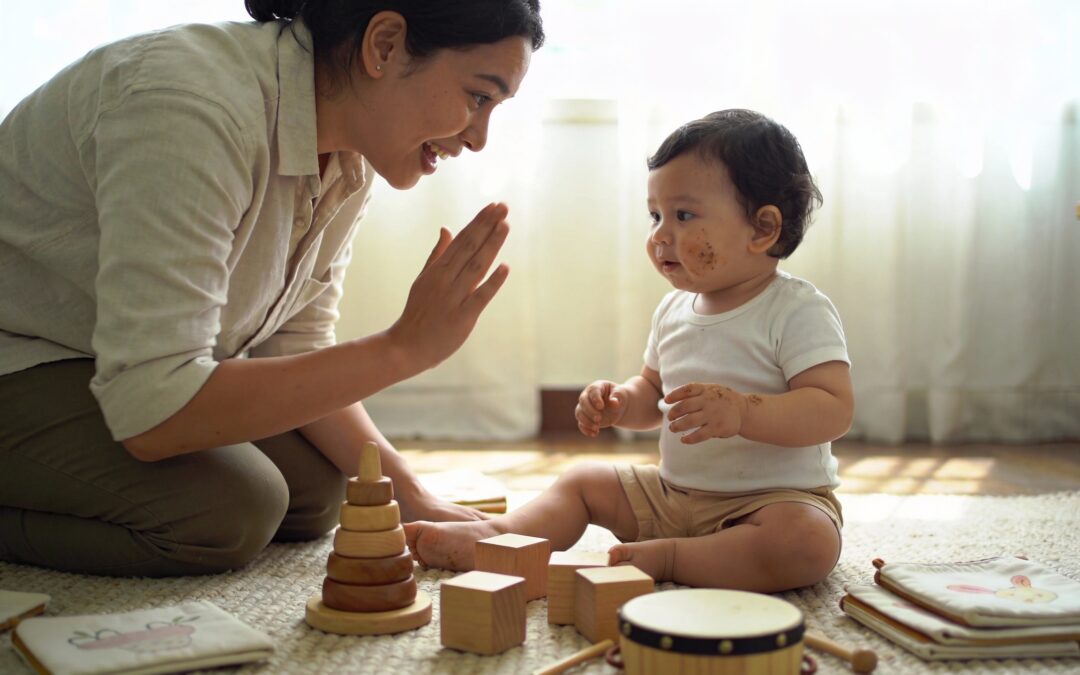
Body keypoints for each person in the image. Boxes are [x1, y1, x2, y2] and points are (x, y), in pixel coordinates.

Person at [0, 1, 544, 577]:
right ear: (384, 45)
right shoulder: (190, 108)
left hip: (97, 359)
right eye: (479, 97)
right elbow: (151, 410)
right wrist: (402, 348)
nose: (480, 138)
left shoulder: (351, 143)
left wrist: (409, 493)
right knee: (231, 507)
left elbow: (295, 340)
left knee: (323, 486)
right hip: (24, 357)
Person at [406, 109, 854, 593]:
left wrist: (743, 412)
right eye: (655, 215)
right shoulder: (673, 310)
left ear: (762, 229)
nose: (660, 234)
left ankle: (670, 559)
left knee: (807, 543)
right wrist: (620, 401)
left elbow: (833, 409)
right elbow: (653, 394)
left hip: (771, 503)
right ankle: (499, 537)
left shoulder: (796, 309)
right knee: (583, 481)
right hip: (671, 496)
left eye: (683, 216)